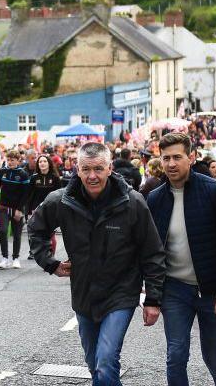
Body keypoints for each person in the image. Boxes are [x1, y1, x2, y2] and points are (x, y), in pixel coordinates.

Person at [28, 142, 165, 386]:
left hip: (121, 293)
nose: (93, 176)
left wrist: (153, 299)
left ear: (110, 168)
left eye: (99, 169)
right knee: (95, 366)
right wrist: (50, 263)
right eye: (86, 169)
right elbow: (36, 228)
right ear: (76, 169)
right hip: (83, 294)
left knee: (106, 360)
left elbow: (152, 251)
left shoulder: (133, 202)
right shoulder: (60, 201)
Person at [147, 133, 216, 386]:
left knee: (215, 358)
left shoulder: (214, 191)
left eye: (177, 157)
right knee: (175, 355)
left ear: (191, 157)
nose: (171, 164)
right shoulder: (155, 198)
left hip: (212, 291)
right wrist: (152, 296)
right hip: (175, 289)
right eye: (165, 158)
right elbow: (151, 252)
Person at [0, 150, 30, 269]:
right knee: (3, 231)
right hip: (3, 207)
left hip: (17, 209)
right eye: (8, 160)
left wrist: (20, 209)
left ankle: (16, 258)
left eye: (13, 160)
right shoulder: (2, 171)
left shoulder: (23, 174)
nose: (10, 162)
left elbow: (25, 194)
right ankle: (4, 258)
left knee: (17, 234)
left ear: (18, 160)